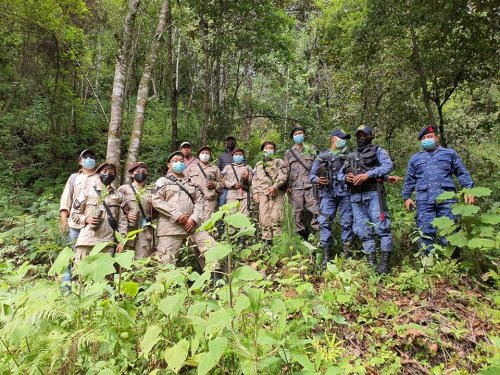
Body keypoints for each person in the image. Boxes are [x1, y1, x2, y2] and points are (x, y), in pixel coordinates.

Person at [402, 124, 474, 253]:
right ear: (420, 141)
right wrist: (406, 197)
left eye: (430, 136)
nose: (427, 139)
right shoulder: (415, 158)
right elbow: (409, 180)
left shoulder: (449, 154)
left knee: (450, 231)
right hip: (424, 201)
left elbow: (461, 172)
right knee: (425, 232)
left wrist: (468, 188)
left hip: (447, 200)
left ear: (437, 138)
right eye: (424, 138)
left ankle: (453, 263)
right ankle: (427, 263)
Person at [341, 125, 394, 274]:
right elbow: (340, 175)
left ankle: (384, 263)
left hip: (373, 194)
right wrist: (346, 177)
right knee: (362, 230)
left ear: (370, 137)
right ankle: (371, 261)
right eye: (358, 136)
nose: (361, 139)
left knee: (382, 226)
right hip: (356, 197)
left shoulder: (378, 151)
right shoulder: (350, 155)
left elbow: (388, 166)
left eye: (364, 136)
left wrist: (368, 174)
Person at [152, 151, 216, 267]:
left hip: (193, 226)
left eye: (181, 161)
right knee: (166, 260)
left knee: (211, 248)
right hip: (170, 228)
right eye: (175, 161)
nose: (178, 163)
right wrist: (177, 215)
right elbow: (156, 200)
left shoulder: (192, 183)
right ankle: (166, 284)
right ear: (169, 165)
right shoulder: (163, 181)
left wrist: (194, 218)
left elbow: (199, 201)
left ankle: (216, 278)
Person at [310, 129, 353, 267]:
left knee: (347, 222)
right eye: (341, 138)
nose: (343, 140)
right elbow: (311, 175)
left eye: (345, 138)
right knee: (324, 221)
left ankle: (346, 256)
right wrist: (317, 179)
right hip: (327, 193)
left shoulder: (349, 155)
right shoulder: (322, 156)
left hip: (345, 193)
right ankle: (326, 256)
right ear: (333, 139)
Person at [72, 162, 128, 263]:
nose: (108, 174)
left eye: (111, 172)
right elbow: (74, 214)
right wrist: (86, 219)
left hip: (107, 243)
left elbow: (122, 222)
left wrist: (121, 241)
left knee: (104, 276)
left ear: (114, 176)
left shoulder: (119, 196)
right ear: (98, 174)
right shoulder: (86, 192)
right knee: (82, 275)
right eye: (104, 171)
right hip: (87, 241)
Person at [284, 126, 319, 240]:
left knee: (316, 210)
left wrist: (319, 180)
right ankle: (301, 237)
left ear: (304, 135)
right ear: (293, 137)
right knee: (296, 213)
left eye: (300, 133)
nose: (298, 135)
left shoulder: (312, 148)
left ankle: (317, 236)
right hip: (295, 187)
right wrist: (287, 186)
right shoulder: (289, 152)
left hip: (311, 185)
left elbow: (319, 166)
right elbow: (286, 170)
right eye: (295, 134)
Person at [252, 141, 288, 246]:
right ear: (262, 151)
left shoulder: (279, 161)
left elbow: (283, 175)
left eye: (271, 148)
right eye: (266, 148)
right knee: (264, 218)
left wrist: (275, 186)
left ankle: (277, 243)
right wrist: (255, 192)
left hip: (276, 193)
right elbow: (254, 179)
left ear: (274, 150)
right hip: (263, 194)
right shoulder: (259, 165)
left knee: (276, 217)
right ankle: (266, 242)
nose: (268, 150)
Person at [59, 149, 99, 243]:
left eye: (92, 157)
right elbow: (66, 199)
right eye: (85, 157)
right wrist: (64, 220)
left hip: (93, 222)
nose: (89, 159)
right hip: (75, 223)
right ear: (80, 161)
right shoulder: (74, 178)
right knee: (74, 252)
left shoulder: (100, 177)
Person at [118, 162, 155, 259]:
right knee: (125, 261)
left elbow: (156, 211)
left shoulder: (152, 190)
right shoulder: (123, 189)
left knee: (141, 262)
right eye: (137, 171)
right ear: (131, 174)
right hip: (128, 230)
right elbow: (116, 208)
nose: (141, 173)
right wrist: (127, 214)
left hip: (145, 231)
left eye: (143, 171)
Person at [186, 146, 224, 223]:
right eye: (202, 153)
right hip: (194, 200)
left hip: (209, 200)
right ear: (198, 155)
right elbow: (184, 181)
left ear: (210, 156)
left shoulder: (215, 168)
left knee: (207, 223)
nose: (205, 154)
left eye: (207, 153)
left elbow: (222, 184)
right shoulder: (191, 168)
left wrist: (214, 184)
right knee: (194, 222)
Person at [222, 148, 252, 215]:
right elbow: (222, 181)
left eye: (240, 154)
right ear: (233, 156)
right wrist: (232, 184)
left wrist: (247, 177)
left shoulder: (248, 167)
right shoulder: (227, 167)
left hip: (245, 194)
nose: (238, 156)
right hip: (232, 194)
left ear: (243, 156)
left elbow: (254, 181)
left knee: (245, 216)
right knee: (231, 215)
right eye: (236, 154)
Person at [217, 136, 237, 206]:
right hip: (224, 186)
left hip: (235, 186)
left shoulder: (239, 155)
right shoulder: (222, 156)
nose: (230, 142)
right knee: (222, 205)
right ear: (226, 143)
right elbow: (218, 170)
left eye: (232, 140)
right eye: (229, 141)